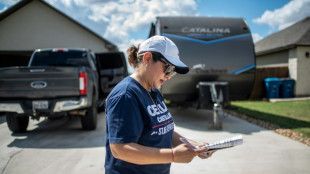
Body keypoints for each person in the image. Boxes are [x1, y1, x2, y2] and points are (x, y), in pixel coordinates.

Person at [105, 35, 215, 174]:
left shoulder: (154, 91)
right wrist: (173, 155)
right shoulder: (126, 95)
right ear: (148, 58)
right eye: (168, 68)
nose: (169, 75)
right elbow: (120, 149)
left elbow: (164, 131)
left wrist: (194, 145)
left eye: (172, 71)